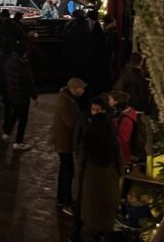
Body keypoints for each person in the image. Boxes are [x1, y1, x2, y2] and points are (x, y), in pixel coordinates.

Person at [72, 96, 123, 242]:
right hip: (109, 180)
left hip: (90, 181)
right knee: (104, 218)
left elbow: (80, 157)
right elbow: (119, 159)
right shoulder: (112, 136)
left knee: (90, 218)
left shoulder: (89, 137)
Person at [51, 78, 87, 214]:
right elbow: (71, 121)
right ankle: (65, 200)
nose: (83, 91)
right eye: (81, 89)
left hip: (64, 140)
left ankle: (62, 197)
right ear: (73, 89)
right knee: (67, 170)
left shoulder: (68, 98)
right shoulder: (64, 101)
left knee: (66, 169)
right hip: (63, 140)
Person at [2, 44, 36, 150]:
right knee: (23, 119)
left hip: (12, 93)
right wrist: (34, 95)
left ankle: (7, 132)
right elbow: (28, 82)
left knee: (15, 114)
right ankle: (18, 141)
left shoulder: (9, 61)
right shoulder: (22, 65)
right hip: (22, 95)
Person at [109, 90, 138, 167]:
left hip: (122, 157)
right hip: (118, 155)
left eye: (110, 100)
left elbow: (123, 140)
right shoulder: (120, 115)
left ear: (116, 102)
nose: (108, 102)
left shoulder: (126, 119)